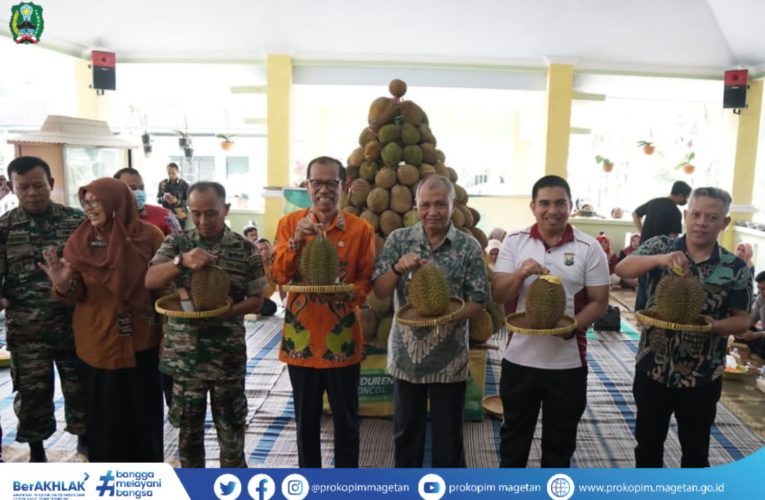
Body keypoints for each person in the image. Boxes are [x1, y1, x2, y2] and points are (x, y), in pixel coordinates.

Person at [616, 187, 752, 468]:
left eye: (712, 217)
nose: (702, 222)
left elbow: (743, 320)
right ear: (686, 215)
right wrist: (660, 260)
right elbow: (623, 269)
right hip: (653, 367)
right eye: (697, 214)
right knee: (648, 445)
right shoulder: (660, 246)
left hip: (702, 374)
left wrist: (711, 326)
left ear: (724, 223)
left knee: (695, 451)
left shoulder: (736, 267)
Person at [40, 178, 165, 462]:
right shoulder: (80, 241)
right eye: (86, 201)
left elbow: (162, 291)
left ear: (116, 201)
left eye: (96, 200)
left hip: (143, 341)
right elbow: (75, 294)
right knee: (105, 419)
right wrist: (62, 283)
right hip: (98, 344)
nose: (90, 207)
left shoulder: (149, 236)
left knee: (144, 417)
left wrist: (168, 337)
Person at [145, 181, 265, 468]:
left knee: (232, 434)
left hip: (227, 357)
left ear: (225, 209)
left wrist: (229, 311)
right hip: (186, 360)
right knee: (188, 437)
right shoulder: (178, 243)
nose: (202, 221)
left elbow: (257, 299)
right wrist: (180, 262)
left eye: (211, 213)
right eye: (195, 212)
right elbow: (149, 280)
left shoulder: (245, 249)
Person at [492, 175, 609, 468]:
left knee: (560, 444)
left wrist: (572, 327)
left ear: (570, 206)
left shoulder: (588, 247)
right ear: (533, 207)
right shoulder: (515, 241)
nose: (552, 210)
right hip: (520, 359)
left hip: (567, 363)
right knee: (513, 440)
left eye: (560, 203)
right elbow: (497, 294)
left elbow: (599, 301)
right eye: (544, 203)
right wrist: (520, 274)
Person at [372, 174, 489, 468]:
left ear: (453, 204)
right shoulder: (399, 240)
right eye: (425, 205)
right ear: (415, 205)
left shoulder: (468, 246)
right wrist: (398, 268)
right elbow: (380, 290)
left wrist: (447, 317)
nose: (432, 212)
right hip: (406, 357)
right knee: (406, 436)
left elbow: (479, 299)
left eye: (440, 204)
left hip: (450, 359)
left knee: (448, 440)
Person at [272, 156, 375, 468]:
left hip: (341, 340)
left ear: (343, 187)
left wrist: (349, 293)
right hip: (300, 341)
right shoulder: (289, 225)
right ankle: (310, 483)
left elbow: (364, 282)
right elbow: (278, 276)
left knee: (346, 421)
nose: (324, 190)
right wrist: (296, 241)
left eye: (332, 183)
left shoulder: (361, 230)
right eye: (317, 182)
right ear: (307, 186)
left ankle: (346, 485)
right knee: (306, 422)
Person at [0, 156, 87, 462]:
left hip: (74, 326)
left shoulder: (76, 222)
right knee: (32, 393)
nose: (32, 193)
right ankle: (37, 452)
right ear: (12, 188)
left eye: (38, 185)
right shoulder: (4, 229)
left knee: (80, 388)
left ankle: (85, 444)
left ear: (50, 184)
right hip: (27, 332)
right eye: (23, 187)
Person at [632, 180, 692, 310]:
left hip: (644, 249)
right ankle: (651, 312)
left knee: (643, 282)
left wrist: (642, 233)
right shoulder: (675, 212)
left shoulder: (654, 202)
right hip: (661, 254)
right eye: (686, 197)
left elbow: (635, 214)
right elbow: (674, 237)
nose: (685, 200)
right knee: (656, 284)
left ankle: (639, 311)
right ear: (681, 195)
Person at [115, 167, 181, 236]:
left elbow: (181, 244)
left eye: (141, 188)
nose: (139, 192)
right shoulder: (108, 219)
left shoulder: (166, 216)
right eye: (132, 188)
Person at [734, 270, 765, 360]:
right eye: (759, 288)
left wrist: (756, 335)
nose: (761, 292)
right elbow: (752, 319)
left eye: (764, 289)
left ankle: (758, 356)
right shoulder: (761, 298)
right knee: (744, 329)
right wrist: (740, 329)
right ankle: (751, 355)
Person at [157, 162, 189, 229]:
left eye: (173, 173)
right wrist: (163, 199)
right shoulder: (163, 184)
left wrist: (177, 201)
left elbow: (189, 202)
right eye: (169, 173)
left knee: (180, 235)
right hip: (167, 214)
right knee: (167, 235)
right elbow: (158, 200)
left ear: (177, 172)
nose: (171, 175)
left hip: (180, 214)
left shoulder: (184, 184)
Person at [254, 238, 279, 317]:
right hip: (253, 299)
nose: (264, 252)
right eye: (260, 250)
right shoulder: (257, 267)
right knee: (272, 307)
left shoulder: (276, 264)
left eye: (266, 248)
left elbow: (282, 283)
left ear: (271, 248)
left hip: (264, 298)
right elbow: (258, 293)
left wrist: (284, 300)